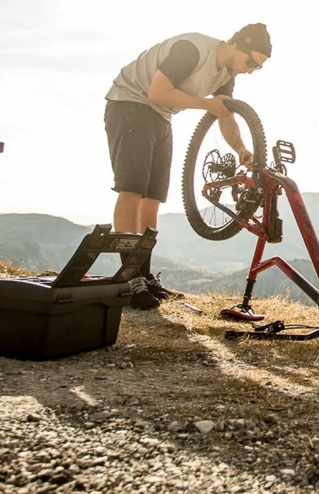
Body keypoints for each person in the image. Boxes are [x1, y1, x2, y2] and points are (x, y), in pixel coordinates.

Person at [104, 24, 271, 309]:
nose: (251, 70)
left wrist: (242, 149)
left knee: (153, 199)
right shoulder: (192, 50)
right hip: (130, 104)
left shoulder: (225, 75)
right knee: (131, 190)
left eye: (258, 67)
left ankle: (144, 275)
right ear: (236, 45)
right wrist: (205, 103)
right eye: (251, 61)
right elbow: (157, 92)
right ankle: (129, 278)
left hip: (160, 117)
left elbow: (226, 116)